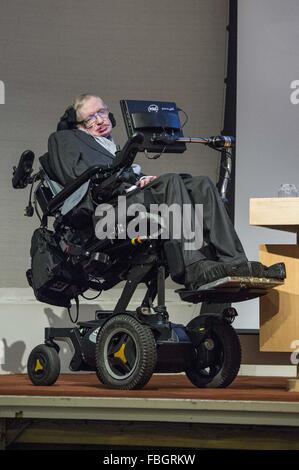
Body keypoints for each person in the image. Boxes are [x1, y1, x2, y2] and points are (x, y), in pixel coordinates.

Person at [47, 94, 286, 289]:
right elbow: (77, 179)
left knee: (201, 184)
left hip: (127, 198)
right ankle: (195, 265)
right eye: (90, 118)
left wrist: (140, 179)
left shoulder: (110, 146)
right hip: (103, 213)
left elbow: (121, 173)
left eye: (102, 112)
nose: (99, 119)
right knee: (170, 181)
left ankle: (235, 260)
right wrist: (129, 182)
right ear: (79, 125)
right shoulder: (66, 140)